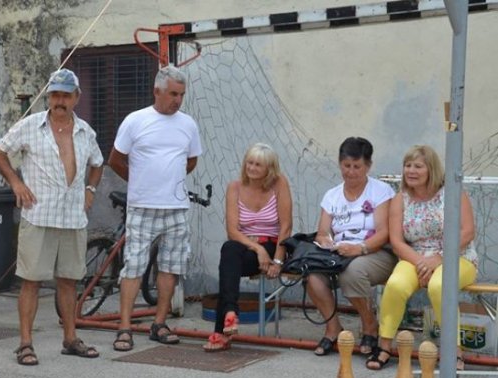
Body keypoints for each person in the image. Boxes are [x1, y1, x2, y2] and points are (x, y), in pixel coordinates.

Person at [0, 68, 104, 366]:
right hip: (39, 214)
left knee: (69, 281)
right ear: (48, 96)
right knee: (31, 281)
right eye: (55, 94)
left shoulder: (85, 131)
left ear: (77, 97)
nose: (60, 101)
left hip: (72, 217)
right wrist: (16, 183)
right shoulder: (30, 126)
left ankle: (70, 338)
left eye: (66, 95)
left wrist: (90, 188)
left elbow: (98, 163)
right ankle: (25, 344)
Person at [107, 65, 202, 351]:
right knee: (133, 266)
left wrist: (169, 180)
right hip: (143, 207)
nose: (178, 100)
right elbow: (115, 159)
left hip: (175, 208)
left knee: (171, 267)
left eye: (181, 94)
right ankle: (124, 328)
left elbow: (192, 160)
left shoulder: (188, 124)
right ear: (157, 91)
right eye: (173, 93)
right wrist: (142, 182)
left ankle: (159, 323)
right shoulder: (135, 121)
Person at [366, 145, 477, 370]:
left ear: (431, 170)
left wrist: (439, 259)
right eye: (408, 166)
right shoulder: (400, 199)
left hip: (457, 256)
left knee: (439, 286)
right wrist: (422, 263)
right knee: (395, 285)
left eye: (418, 166)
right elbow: (397, 242)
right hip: (415, 257)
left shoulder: (454, 193)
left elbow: (467, 232)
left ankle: (453, 351)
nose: (411, 171)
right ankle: (385, 345)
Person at [308, 137, 397, 357]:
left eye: (357, 167)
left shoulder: (380, 191)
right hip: (340, 253)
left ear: (368, 166)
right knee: (312, 275)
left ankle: (369, 325)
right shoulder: (332, 195)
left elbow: (385, 233)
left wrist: (360, 249)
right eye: (346, 166)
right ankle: (333, 328)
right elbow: (322, 231)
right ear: (339, 164)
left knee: (352, 272)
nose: (351, 172)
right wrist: (326, 241)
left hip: (376, 252)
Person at [203, 144, 292, 352]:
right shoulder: (234, 187)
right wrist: (257, 249)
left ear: (269, 169)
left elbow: (286, 226)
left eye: (257, 165)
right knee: (229, 250)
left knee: (228, 265)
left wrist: (277, 260)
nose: (251, 168)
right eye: (249, 163)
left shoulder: (279, 183)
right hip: (247, 246)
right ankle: (230, 314)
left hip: (272, 245)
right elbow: (232, 231)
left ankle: (221, 331)